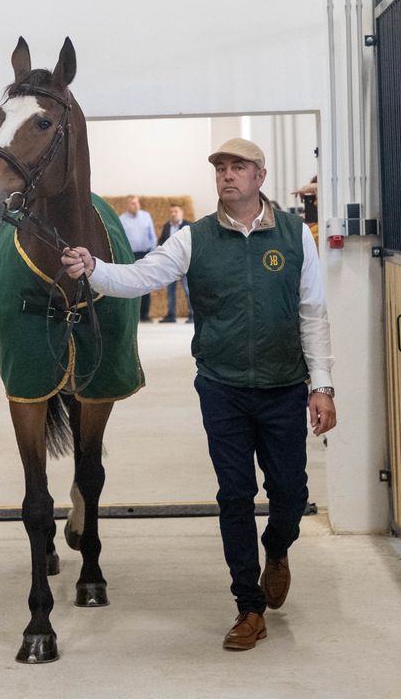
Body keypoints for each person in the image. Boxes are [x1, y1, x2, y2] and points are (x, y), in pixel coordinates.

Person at [62, 138, 336, 651]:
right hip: (222, 387)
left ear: (260, 176)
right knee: (234, 495)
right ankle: (248, 608)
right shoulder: (194, 239)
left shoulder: (298, 236)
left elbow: (312, 314)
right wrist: (94, 269)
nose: (227, 175)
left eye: (238, 167)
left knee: (291, 495)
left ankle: (277, 551)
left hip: (282, 389)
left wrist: (321, 385)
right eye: (220, 169)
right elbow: (142, 276)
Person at [117, 195, 158, 321]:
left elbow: (152, 235)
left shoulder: (146, 216)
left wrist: (153, 253)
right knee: (129, 284)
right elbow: (120, 239)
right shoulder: (121, 219)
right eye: (133, 203)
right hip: (130, 255)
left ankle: (145, 314)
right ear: (127, 205)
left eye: (137, 203)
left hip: (145, 254)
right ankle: (131, 316)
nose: (136, 205)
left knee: (145, 285)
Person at [157, 204, 192, 323]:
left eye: (176, 211)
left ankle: (192, 315)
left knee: (188, 290)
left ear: (181, 213)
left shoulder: (189, 226)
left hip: (186, 264)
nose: (173, 214)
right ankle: (171, 315)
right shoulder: (167, 226)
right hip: (171, 264)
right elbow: (161, 241)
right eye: (171, 212)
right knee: (170, 291)